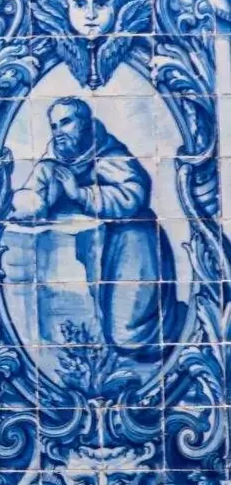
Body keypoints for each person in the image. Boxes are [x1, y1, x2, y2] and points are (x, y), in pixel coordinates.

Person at [11, 95, 180, 363]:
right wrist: (32, 203)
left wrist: (80, 194)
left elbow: (133, 194)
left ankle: (172, 325)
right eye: (54, 126)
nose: (58, 133)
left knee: (127, 333)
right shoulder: (52, 163)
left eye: (65, 123)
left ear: (85, 124)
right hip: (82, 244)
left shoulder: (110, 154)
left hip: (132, 241)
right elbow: (34, 195)